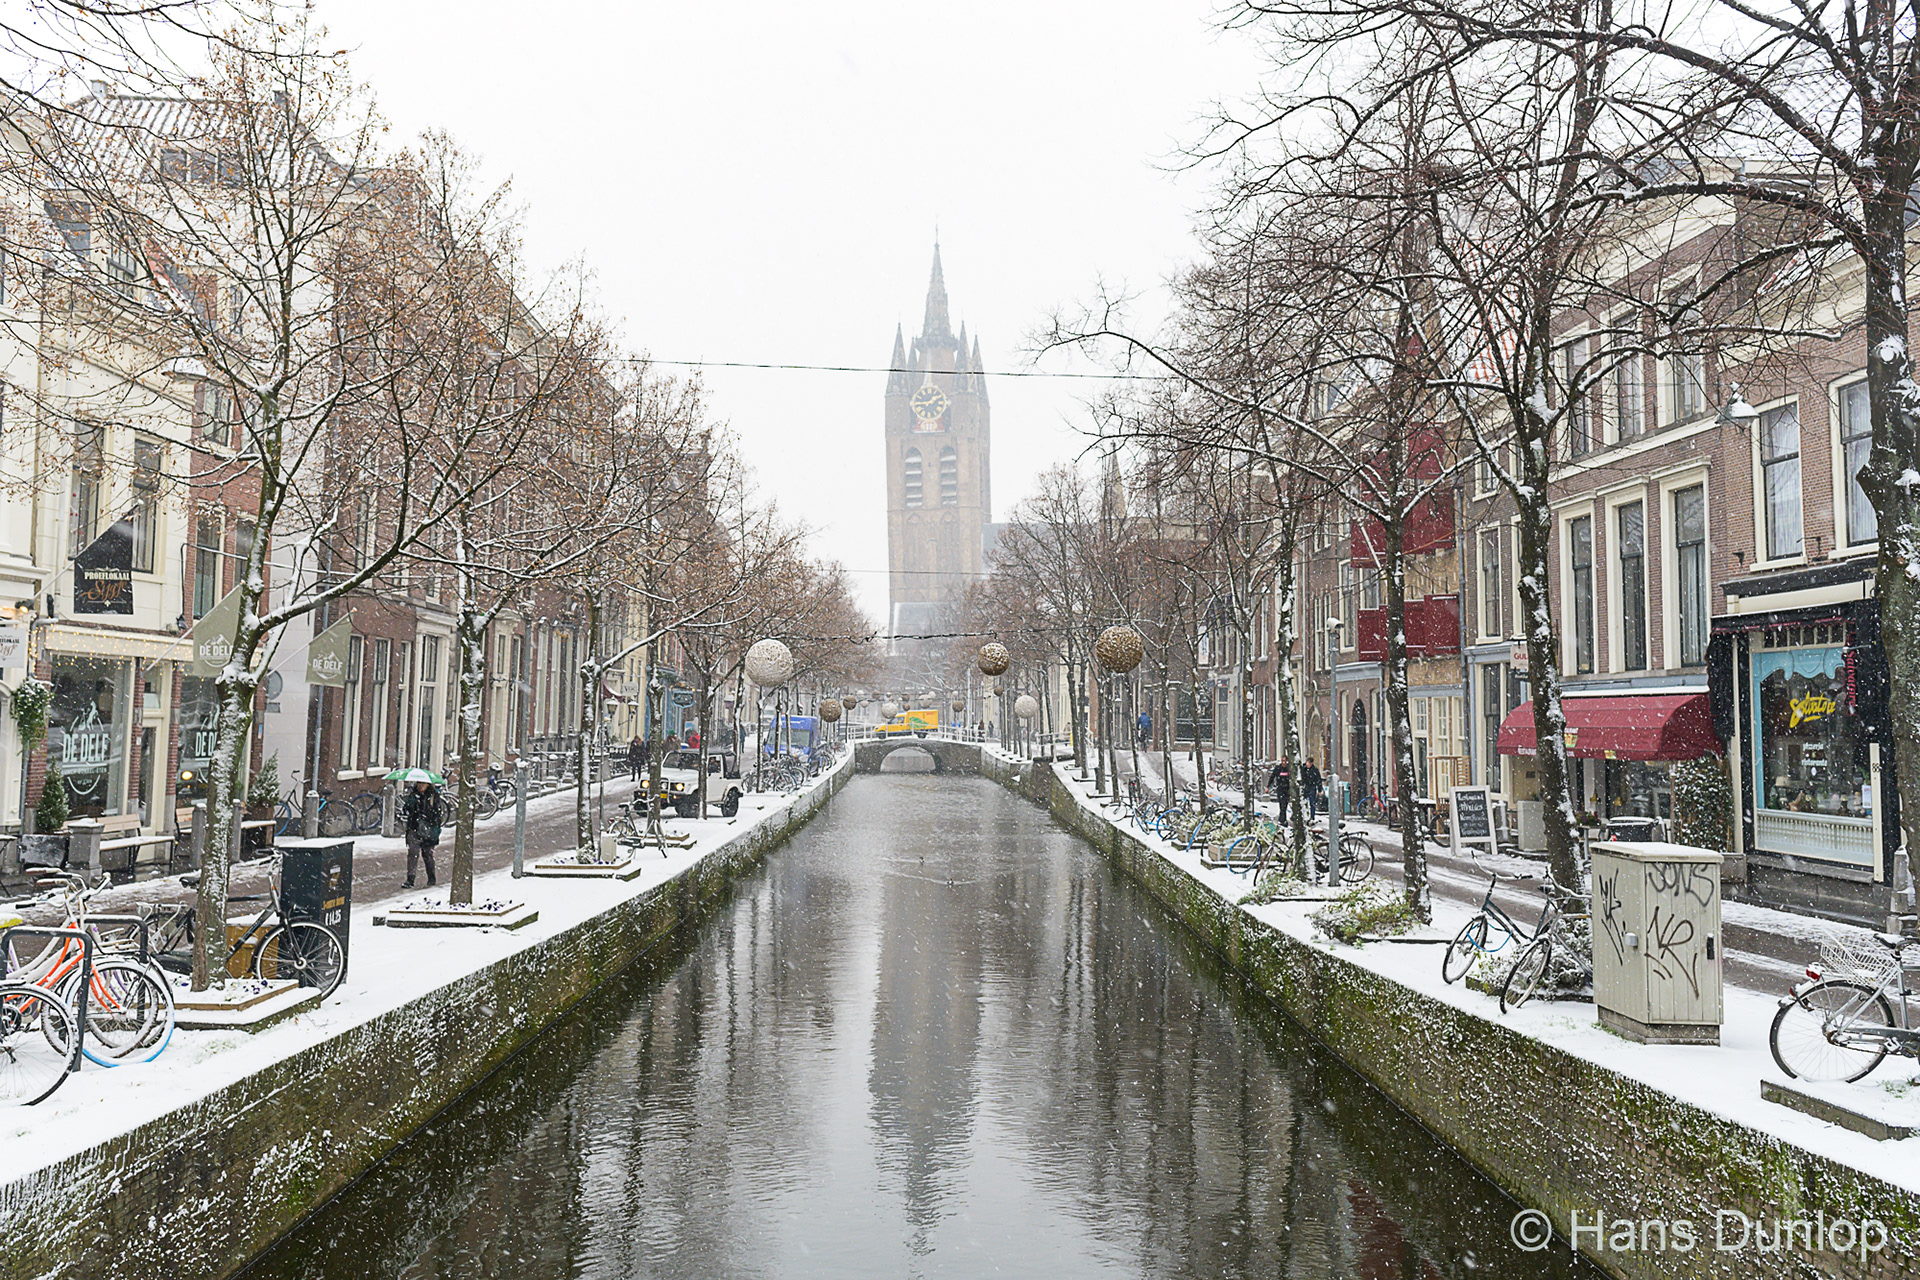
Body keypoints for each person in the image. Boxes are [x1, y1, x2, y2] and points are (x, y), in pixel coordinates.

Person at [401, 779, 445, 889]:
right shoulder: (413, 795)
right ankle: (410, 879)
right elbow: (406, 810)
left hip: (428, 831)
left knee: (427, 855)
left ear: (428, 785)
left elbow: (437, 814)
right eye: (419, 784)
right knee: (413, 853)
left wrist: (429, 818)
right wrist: (411, 806)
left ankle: (431, 877)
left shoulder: (433, 797)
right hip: (414, 828)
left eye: (423, 784)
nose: (421, 786)